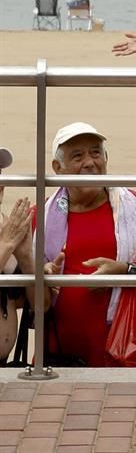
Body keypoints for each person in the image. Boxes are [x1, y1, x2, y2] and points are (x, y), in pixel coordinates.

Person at [40, 123, 136, 367]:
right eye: (77, 156)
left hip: (126, 357)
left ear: (106, 158)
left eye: (95, 152)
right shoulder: (41, 217)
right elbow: (21, 298)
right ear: (57, 168)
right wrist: (43, 275)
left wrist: (125, 271)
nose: (90, 162)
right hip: (58, 359)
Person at [0, 148, 37, 366]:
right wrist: (6, 245)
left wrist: (26, 259)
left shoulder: (7, 225)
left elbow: (37, 306)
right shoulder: (8, 234)